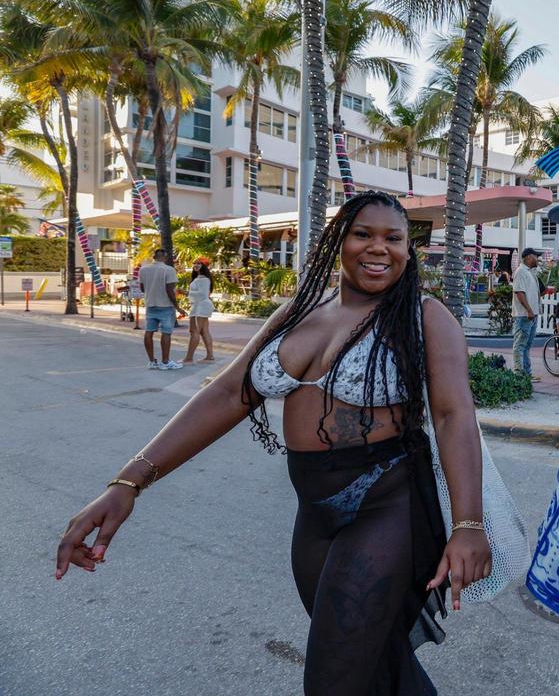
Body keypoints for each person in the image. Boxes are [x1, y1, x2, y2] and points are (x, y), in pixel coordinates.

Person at [55, 192, 492, 695]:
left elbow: (454, 415)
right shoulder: (297, 311)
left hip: (386, 503)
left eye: (394, 238)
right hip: (315, 513)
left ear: (408, 250)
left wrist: (468, 525)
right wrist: (128, 482)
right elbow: (225, 393)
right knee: (372, 663)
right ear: (337, 242)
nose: (380, 248)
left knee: (332, 680)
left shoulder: (425, 316)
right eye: (363, 234)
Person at [138, 248, 183, 370]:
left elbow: (142, 288)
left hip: (150, 305)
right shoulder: (169, 270)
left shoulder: (144, 269)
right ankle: (165, 361)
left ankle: (152, 361)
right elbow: (170, 290)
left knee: (149, 332)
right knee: (166, 333)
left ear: (154, 256)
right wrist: (177, 307)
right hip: (165, 306)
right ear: (165, 257)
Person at [512, 248, 542, 379]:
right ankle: (519, 374)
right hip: (524, 315)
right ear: (529, 257)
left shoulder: (529, 272)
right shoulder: (521, 272)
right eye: (536, 256)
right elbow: (519, 292)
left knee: (527, 345)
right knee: (520, 345)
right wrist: (529, 310)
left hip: (531, 315)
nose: (538, 259)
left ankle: (526, 374)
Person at [182, 258, 216, 364]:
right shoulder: (199, 278)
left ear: (204, 266)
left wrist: (186, 293)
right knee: (203, 331)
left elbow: (203, 294)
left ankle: (189, 358)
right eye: (195, 263)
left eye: (199, 264)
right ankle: (210, 356)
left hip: (200, 306)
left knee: (194, 331)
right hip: (199, 305)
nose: (196, 265)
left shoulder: (204, 279)